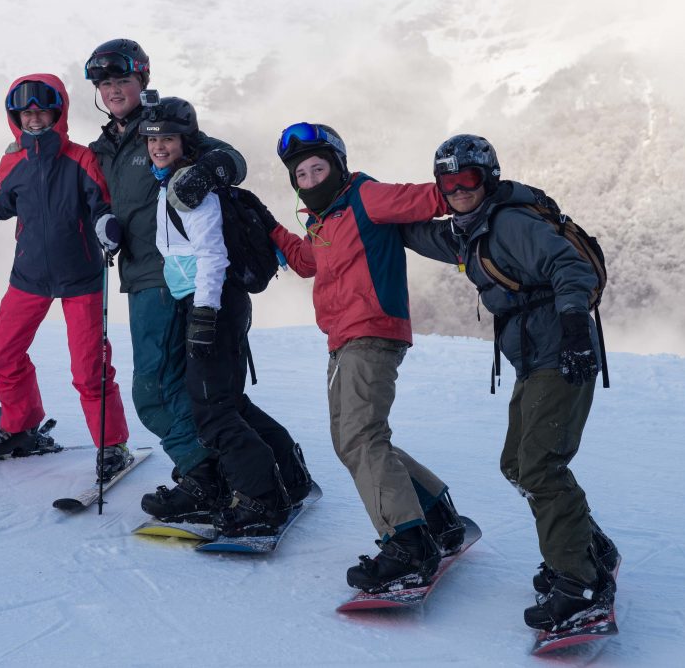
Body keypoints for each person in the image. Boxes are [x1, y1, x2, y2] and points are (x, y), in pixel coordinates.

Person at [400, 134, 619, 631]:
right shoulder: (467, 231)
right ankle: (588, 547)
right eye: (448, 183)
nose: (457, 190)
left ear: (488, 178)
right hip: (533, 357)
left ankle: (580, 584)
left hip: (562, 354)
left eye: (467, 179)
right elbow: (419, 235)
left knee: (540, 467)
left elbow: (573, 267)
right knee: (516, 464)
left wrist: (572, 329)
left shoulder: (510, 223)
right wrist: (369, 217)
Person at [259, 122, 464, 591]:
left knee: (358, 439)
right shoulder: (324, 218)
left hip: (371, 332)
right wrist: (269, 228)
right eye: (301, 175)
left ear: (339, 165)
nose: (310, 179)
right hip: (344, 338)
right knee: (359, 437)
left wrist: (470, 183)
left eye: (318, 168)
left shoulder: (366, 196)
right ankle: (438, 516)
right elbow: (309, 262)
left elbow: (432, 198)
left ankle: (408, 545)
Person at [83, 39, 253, 514]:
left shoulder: (164, 128)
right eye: (106, 84)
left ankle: (204, 477)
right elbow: (103, 199)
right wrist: (104, 220)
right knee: (183, 386)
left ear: (143, 80)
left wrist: (205, 175)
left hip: (172, 278)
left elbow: (233, 161)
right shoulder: (106, 147)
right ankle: (229, 472)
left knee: (155, 390)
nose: (114, 91)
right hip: (143, 276)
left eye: (123, 80)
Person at [0, 74, 130, 478]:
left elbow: (100, 203)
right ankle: (20, 426)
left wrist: (105, 226)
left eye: (41, 110)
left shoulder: (80, 159)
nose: (33, 118)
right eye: (25, 112)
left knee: (89, 370)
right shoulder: (15, 163)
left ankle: (112, 445)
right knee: (3, 356)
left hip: (81, 278)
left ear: (57, 112)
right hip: (28, 276)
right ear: (15, 117)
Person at [142, 97, 312, 533]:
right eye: (153, 138)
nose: (159, 146)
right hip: (217, 304)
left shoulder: (190, 190)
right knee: (230, 401)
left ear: (187, 141)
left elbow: (212, 257)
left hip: (212, 304)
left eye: (168, 138)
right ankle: (289, 477)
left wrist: (203, 315)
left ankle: (260, 501)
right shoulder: (171, 183)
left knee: (213, 411)